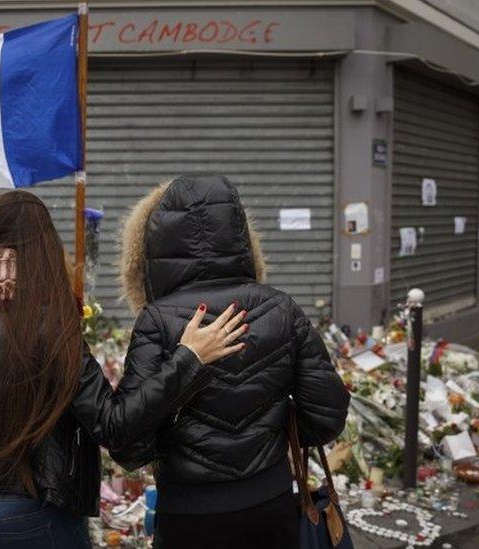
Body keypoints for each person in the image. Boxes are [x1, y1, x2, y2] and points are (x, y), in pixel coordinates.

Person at [0, 190, 246, 548]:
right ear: (45, 249)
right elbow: (113, 424)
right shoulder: (46, 325)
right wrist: (188, 359)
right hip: (23, 511)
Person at [113, 174, 350, 548]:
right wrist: (267, 436)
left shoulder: (156, 321)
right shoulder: (281, 308)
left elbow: (129, 445)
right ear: (241, 234)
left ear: (154, 246)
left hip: (189, 513)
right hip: (269, 503)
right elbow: (327, 415)